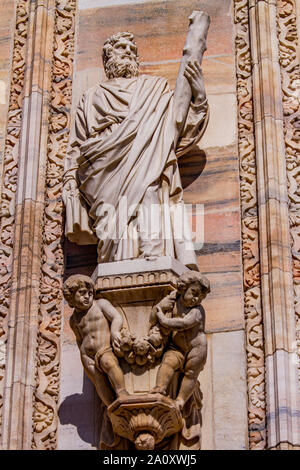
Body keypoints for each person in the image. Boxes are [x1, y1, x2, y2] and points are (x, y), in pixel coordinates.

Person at [63, 32, 208, 269]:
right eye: (121, 47)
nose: (128, 51)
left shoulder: (154, 89)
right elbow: (77, 146)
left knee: (149, 192)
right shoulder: (89, 98)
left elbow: (177, 129)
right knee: (114, 240)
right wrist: (70, 178)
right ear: (108, 56)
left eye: (132, 48)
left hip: (147, 166)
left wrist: (199, 96)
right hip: (103, 177)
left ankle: (152, 262)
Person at [63, 274, 128, 406]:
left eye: (90, 293)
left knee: (109, 364)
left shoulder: (100, 305)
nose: (87, 296)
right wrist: (83, 354)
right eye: (82, 293)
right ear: (71, 296)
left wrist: (115, 331)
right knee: (99, 381)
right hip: (87, 355)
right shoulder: (73, 319)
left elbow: (116, 317)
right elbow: (79, 339)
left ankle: (122, 392)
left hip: (104, 348)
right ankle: (111, 406)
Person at [151, 271, 210, 410]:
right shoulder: (173, 301)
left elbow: (184, 323)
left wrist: (164, 320)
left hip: (196, 350)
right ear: (184, 288)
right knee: (168, 363)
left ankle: (181, 400)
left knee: (190, 374)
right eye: (194, 292)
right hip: (176, 347)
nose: (196, 299)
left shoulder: (197, 311)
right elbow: (155, 313)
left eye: (201, 296)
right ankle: (159, 388)